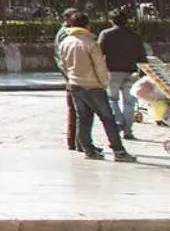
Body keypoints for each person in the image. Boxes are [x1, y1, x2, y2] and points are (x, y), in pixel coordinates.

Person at [57, 12, 137, 162]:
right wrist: (103, 83)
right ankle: (118, 150)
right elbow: (100, 65)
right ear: (87, 25)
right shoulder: (90, 42)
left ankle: (88, 149)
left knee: (83, 118)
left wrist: (71, 77)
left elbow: (62, 64)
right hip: (93, 85)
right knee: (107, 119)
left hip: (75, 84)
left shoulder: (65, 42)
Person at [98, 9, 147, 141]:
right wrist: (143, 75)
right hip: (132, 72)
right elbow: (142, 56)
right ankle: (128, 131)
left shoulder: (106, 34)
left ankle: (119, 121)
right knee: (130, 103)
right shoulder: (135, 36)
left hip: (113, 71)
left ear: (111, 21)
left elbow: (99, 53)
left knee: (112, 99)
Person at [55, 8, 81, 150]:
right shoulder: (67, 34)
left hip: (70, 75)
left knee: (75, 110)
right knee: (77, 111)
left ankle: (75, 141)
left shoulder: (64, 32)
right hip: (73, 76)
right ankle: (78, 142)